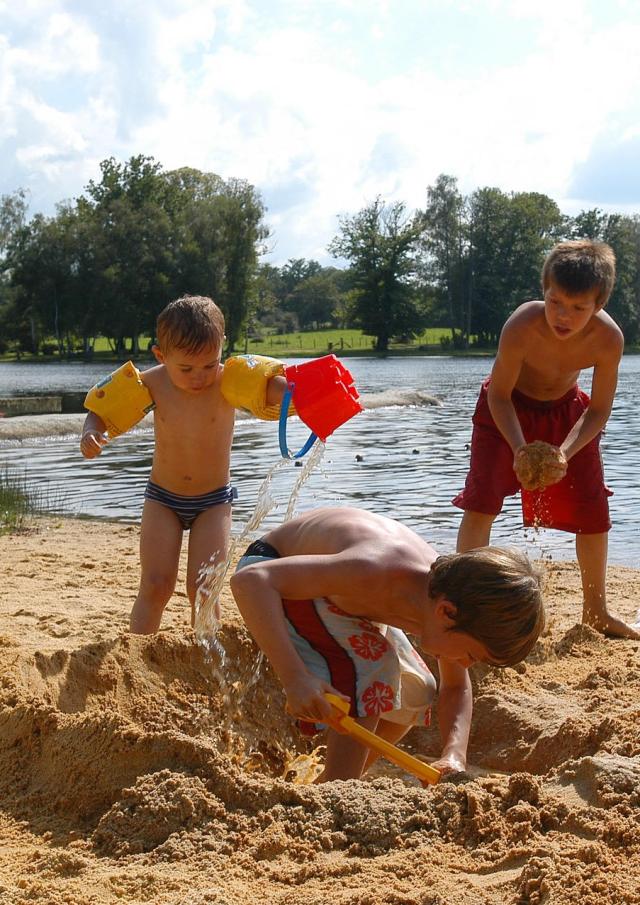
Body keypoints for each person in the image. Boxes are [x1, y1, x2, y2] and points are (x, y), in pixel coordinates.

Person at [230, 506, 544, 782]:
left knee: (417, 689)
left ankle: (334, 780)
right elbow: (251, 581)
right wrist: (295, 679)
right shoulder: (374, 570)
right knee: (374, 666)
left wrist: (454, 755)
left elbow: (455, 688)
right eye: (472, 654)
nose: (466, 664)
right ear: (446, 612)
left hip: (336, 595)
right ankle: (337, 787)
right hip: (277, 572)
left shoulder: (449, 599)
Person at [453, 239, 638, 640]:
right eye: (555, 302)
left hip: (567, 412)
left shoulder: (608, 339)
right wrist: (519, 447)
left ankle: (596, 612)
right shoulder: (522, 325)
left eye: (578, 308)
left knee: (593, 509)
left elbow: (599, 409)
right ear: (544, 291)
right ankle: (464, 604)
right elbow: (498, 395)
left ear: (598, 305)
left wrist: (565, 452)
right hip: (505, 409)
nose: (563, 316)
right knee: (481, 500)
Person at [80, 294, 286, 634]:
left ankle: (204, 659)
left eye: (209, 364)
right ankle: (138, 653)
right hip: (163, 499)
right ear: (162, 355)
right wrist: (91, 432)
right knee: (156, 583)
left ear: (222, 348)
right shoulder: (152, 383)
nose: (199, 377)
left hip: (214, 502)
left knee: (204, 589)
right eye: (186, 368)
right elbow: (102, 410)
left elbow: (272, 388)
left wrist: (301, 391)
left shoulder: (229, 380)